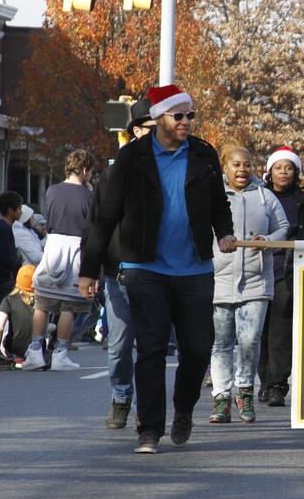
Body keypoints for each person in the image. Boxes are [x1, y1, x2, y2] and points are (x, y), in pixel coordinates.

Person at [80, 84, 238, 455]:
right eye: (178, 115)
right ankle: (149, 429)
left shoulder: (203, 154)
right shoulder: (132, 158)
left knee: (198, 349)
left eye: (190, 115)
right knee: (150, 348)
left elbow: (219, 203)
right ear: (159, 118)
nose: (186, 122)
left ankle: (183, 409)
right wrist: (89, 269)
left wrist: (225, 233)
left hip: (195, 268)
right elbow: (104, 217)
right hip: (144, 266)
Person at [83, 96, 155, 430]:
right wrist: (91, 271)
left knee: (151, 346)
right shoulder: (112, 177)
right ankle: (121, 396)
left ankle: (148, 408)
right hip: (118, 272)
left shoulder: (172, 172)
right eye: (150, 129)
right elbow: (97, 225)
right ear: (135, 130)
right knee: (120, 345)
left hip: (158, 271)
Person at [209, 144, 288, 424]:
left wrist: (267, 241)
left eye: (247, 164)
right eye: (236, 165)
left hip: (256, 281)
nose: (242, 170)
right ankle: (221, 399)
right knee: (220, 343)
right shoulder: (213, 195)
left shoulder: (265, 196)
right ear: (225, 168)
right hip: (220, 279)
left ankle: (245, 392)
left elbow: (283, 226)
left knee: (250, 341)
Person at [24, 150, 96, 372]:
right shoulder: (88, 196)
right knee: (68, 304)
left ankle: (35, 351)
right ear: (84, 169)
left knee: (43, 301)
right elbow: (92, 228)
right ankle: (60, 353)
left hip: (52, 247)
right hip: (76, 249)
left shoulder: (51, 191)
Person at [259, 147, 304, 407]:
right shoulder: (260, 197)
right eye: (278, 167)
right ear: (269, 171)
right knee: (260, 329)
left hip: (288, 268)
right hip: (259, 267)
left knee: (281, 328)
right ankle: (264, 381)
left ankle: (278, 384)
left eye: (288, 168)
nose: (283, 172)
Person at [0, 264, 36, 363]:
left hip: (13, 348)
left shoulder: (9, 300)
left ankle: (1, 355)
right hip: (36, 348)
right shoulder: (41, 301)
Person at [0, 191, 23, 310]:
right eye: (19, 209)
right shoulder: (5, 229)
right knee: (4, 310)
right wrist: (18, 265)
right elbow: (6, 256)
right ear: (10, 210)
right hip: (3, 279)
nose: (21, 212)